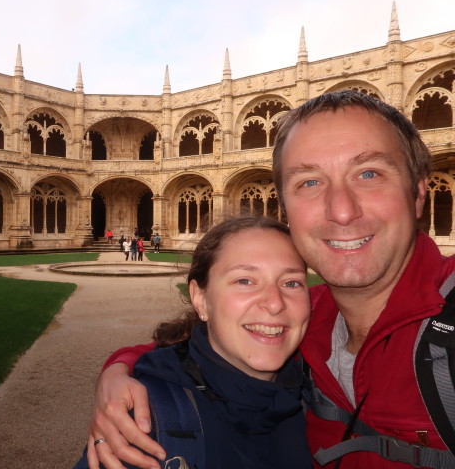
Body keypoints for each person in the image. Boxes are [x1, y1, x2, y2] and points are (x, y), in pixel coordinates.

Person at [85, 90, 455, 469]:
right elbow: (200, 348)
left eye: (369, 173)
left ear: (419, 192)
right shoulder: (304, 319)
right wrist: (122, 370)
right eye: (309, 182)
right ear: (286, 208)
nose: (342, 211)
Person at [73, 216, 311, 468]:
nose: (275, 303)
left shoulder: (312, 390)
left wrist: (119, 365)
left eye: (291, 283)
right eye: (244, 280)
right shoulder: (144, 425)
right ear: (200, 299)